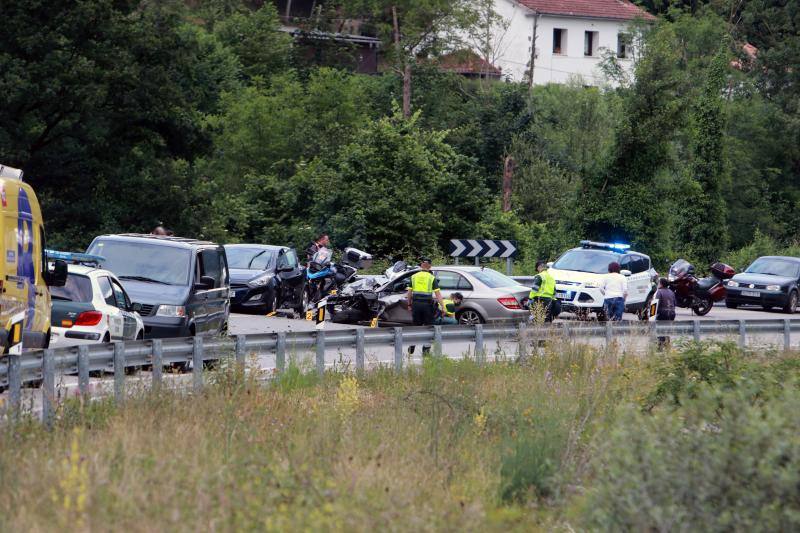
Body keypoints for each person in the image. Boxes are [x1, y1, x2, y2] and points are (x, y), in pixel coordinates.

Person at [406, 257, 445, 354]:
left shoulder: (414, 276)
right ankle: (426, 350)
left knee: (416, 326)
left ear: (421, 265)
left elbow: (409, 293)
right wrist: (443, 307)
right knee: (429, 327)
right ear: (430, 266)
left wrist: (409, 304)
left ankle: (412, 345)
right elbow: (438, 294)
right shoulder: (432, 278)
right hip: (427, 305)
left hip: (416, 304)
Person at [654, 277, 676, 350]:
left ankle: (660, 347)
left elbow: (655, 304)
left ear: (661, 284)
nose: (658, 284)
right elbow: (674, 303)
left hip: (662, 313)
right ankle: (667, 346)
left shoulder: (659, 292)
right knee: (666, 329)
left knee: (660, 330)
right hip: (672, 313)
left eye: (659, 283)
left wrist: (651, 317)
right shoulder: (671, 292)